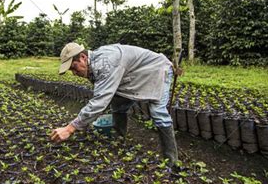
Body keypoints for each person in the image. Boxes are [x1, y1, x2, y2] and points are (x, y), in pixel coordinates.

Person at [50, 42, 178, 164]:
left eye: (74, 67)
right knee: (118, 103)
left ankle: (171, 162)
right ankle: (119, 139)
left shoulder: (106, 63)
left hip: (157, 70)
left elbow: (100, 101)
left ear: (83, 57)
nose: (74, 73)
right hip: (134, 75)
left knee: (158, 112)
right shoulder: (93, 64)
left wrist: (70, 128)